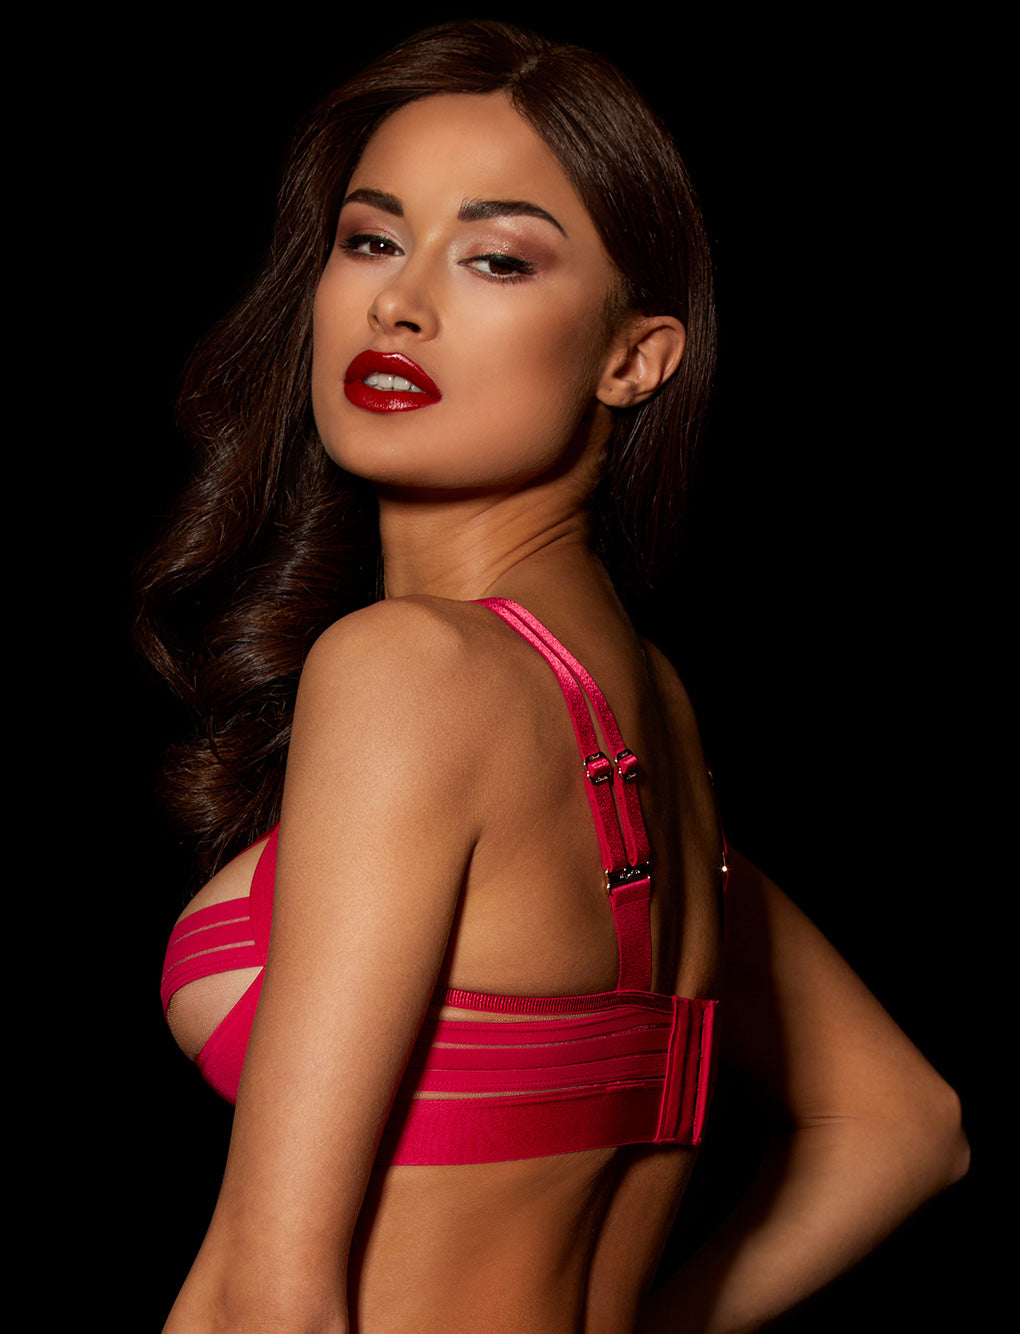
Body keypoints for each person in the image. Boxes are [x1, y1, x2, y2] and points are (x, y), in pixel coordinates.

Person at [137, 21, 968, 1334]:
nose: (400, 304)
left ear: (635, 357)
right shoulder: (649, 717)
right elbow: (907, 1124)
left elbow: (267, 1295)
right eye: (371, 239)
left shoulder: (410, 671)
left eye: (497, 258)